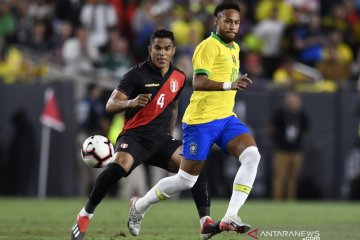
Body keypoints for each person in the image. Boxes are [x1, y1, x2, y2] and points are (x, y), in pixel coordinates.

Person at [70, 29, 219, 240]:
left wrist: (170, 129)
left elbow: (174, 105)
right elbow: (110, 105)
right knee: (118, 167)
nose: (162, 53)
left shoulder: (179, 77)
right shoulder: (135, 75)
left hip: (162, 140)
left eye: (167, 48)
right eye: (157, 48)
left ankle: (205, 222)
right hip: (134, 138)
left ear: (173, 51)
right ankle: (85, 215)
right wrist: (130, 102)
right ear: (150, 49)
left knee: (195, 165)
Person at [128, 1, 261, 237]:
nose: (232, 26)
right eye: (228, 21)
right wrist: (231, 84)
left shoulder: (235, 48)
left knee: (252, 155)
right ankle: (139, 205)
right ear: (216, 21)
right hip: (201, 122)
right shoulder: (207, 46)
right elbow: (198, 82)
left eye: (236, 22)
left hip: (225, 119)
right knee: (186, 180)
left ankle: (231, 215)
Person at [270, 91, 310, 200]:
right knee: (279, 177)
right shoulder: (279, 114)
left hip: (297, 151)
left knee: (292, 178)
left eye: (295, 100)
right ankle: (276, 200)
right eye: (291, 100)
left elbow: (306, 130)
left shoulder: (302, 115)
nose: (293, 103)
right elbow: (273, 130)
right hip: (282, 150)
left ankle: (290, 201)